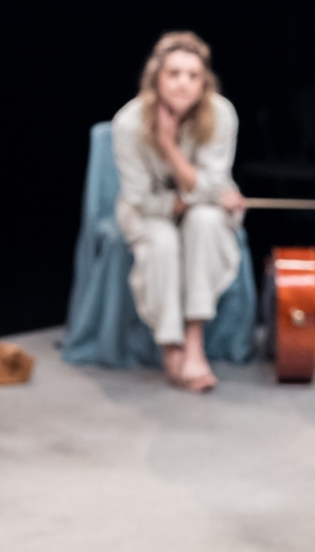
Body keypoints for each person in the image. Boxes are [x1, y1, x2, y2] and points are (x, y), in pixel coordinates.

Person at [111, 31, 246, 393]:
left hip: (205, 208)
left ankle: (194, 340)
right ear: (156, 78)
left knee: (205, 222)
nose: (183, 83)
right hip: (148, 211)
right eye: (173, 74)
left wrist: (170, 149)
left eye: (193, 75)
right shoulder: (129, 122)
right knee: (163, 242)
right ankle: (170, 345)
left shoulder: (221, 113)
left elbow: (213, 185)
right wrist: (191, 193)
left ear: (205, 82)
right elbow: (141, 198)